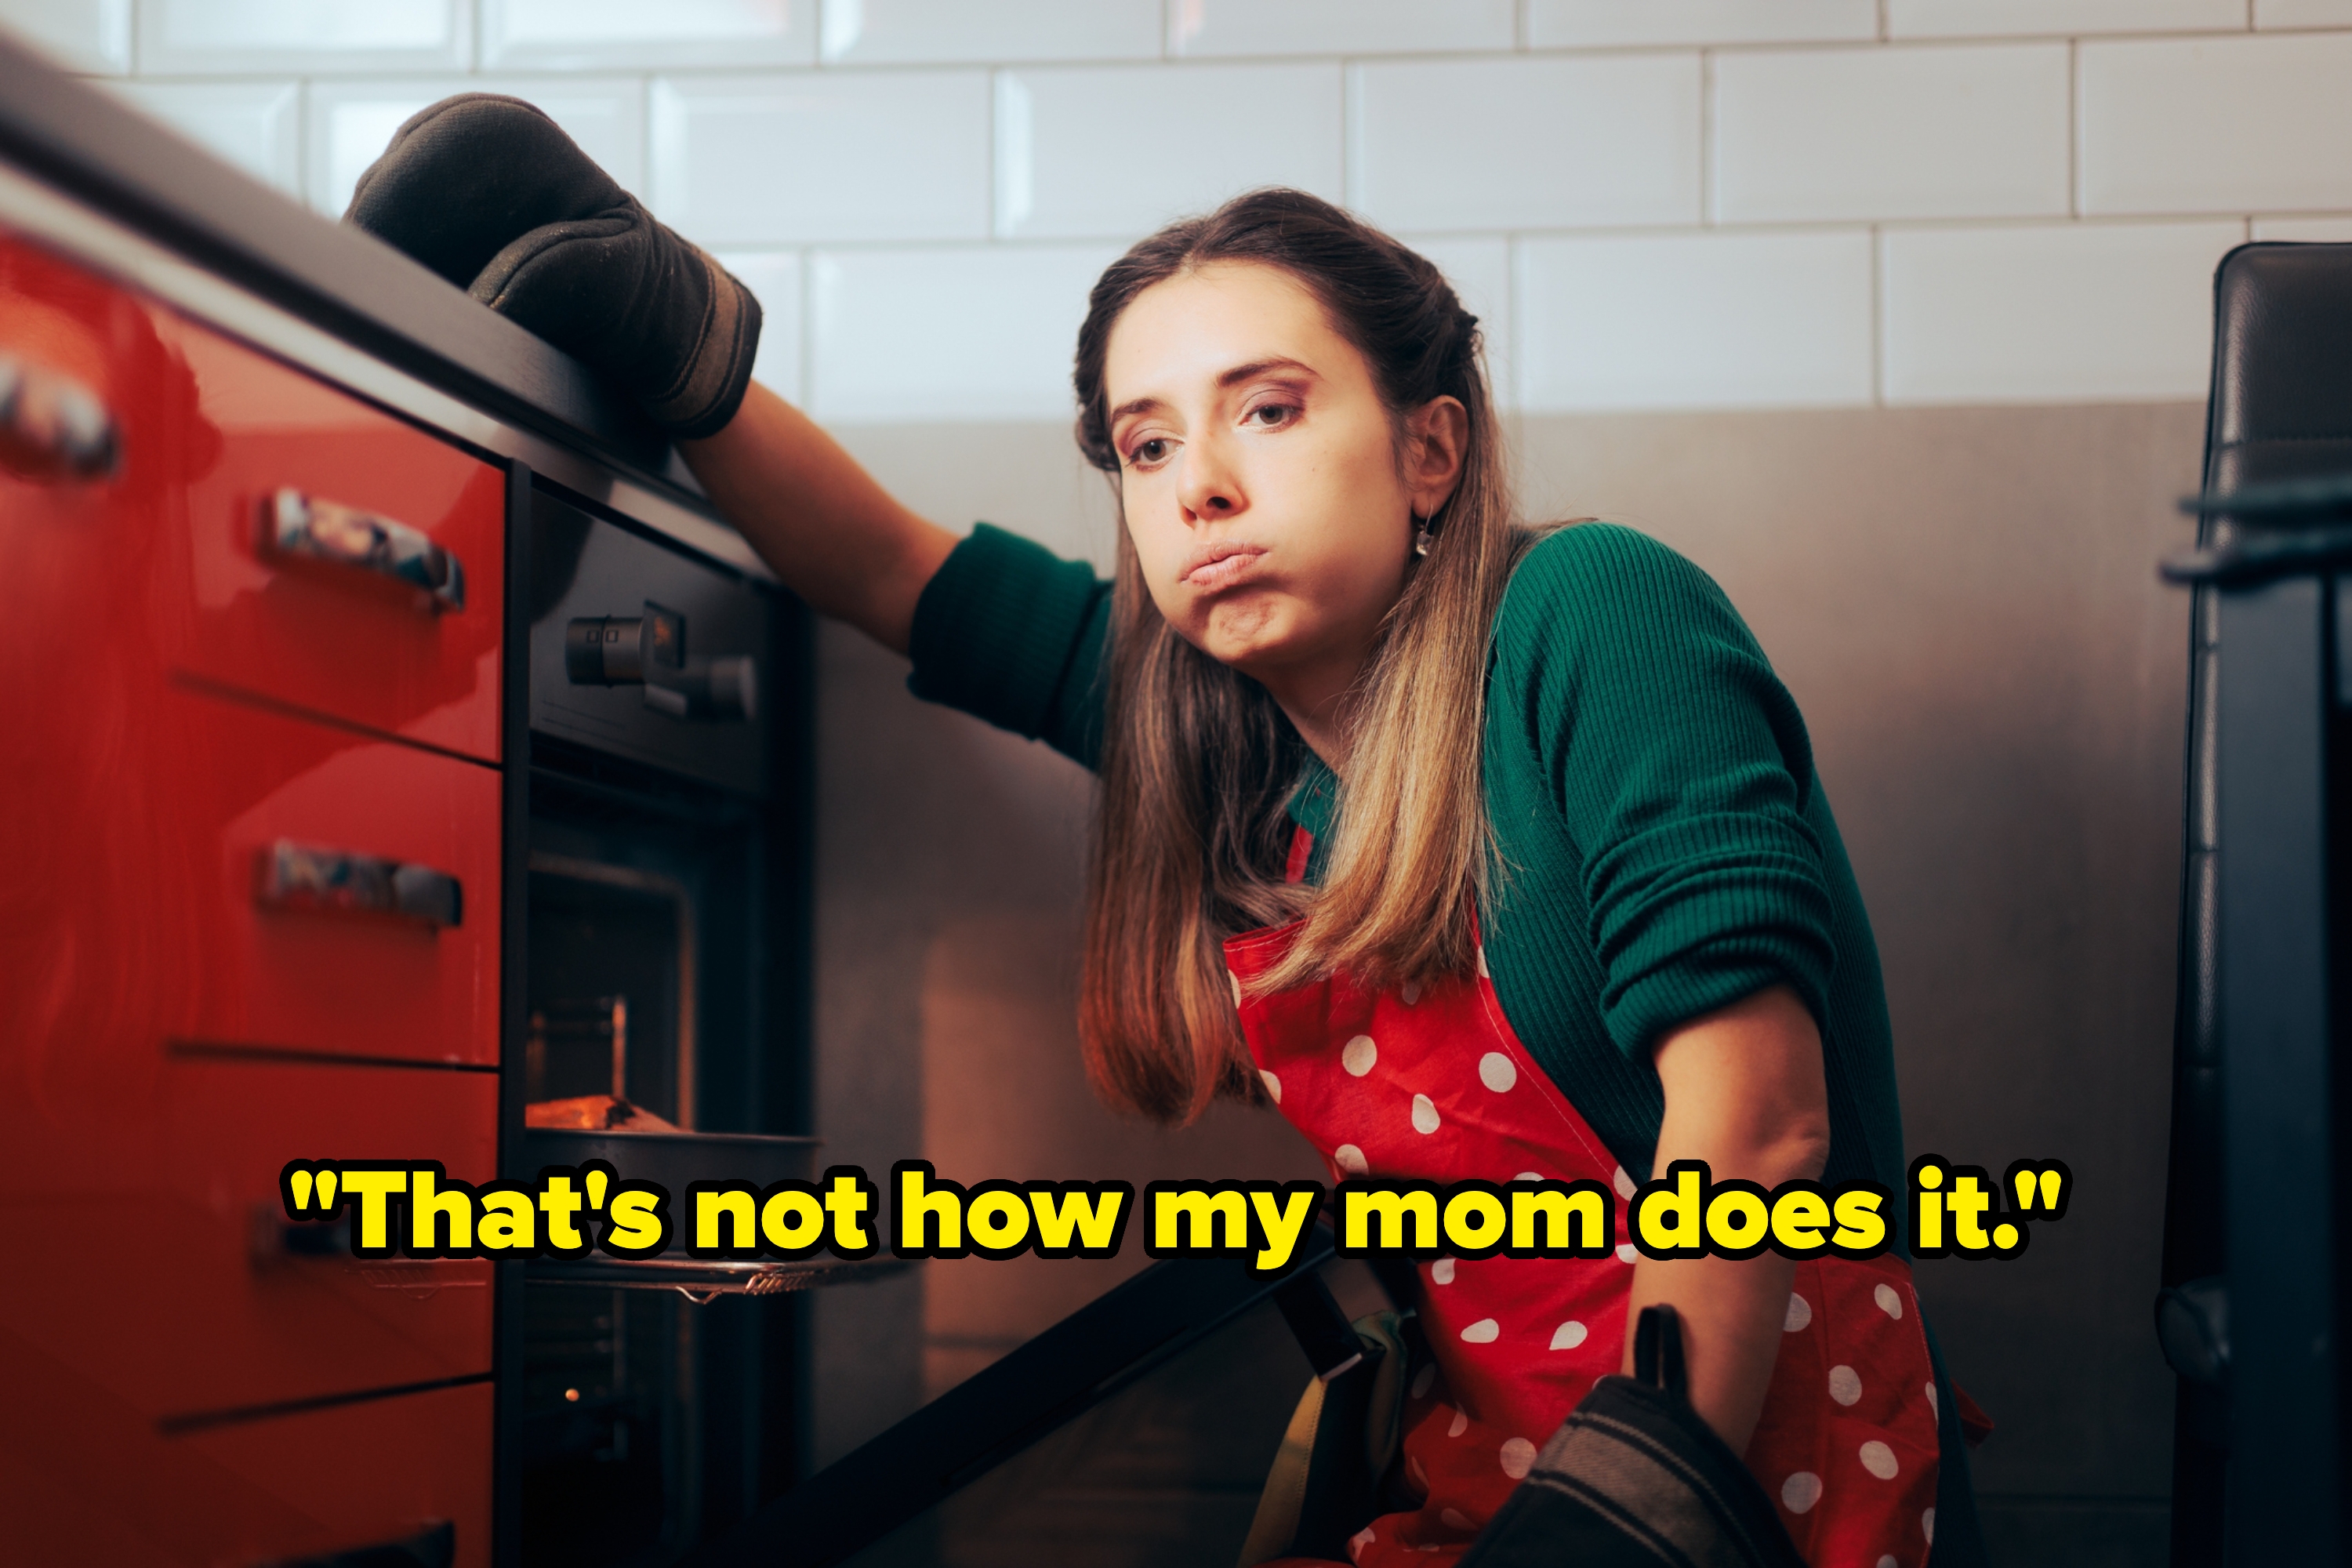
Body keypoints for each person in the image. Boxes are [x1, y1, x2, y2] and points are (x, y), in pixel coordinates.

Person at [350, 96, 1986, 1567]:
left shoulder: (1591, 613)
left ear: (1431, 448)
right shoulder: (1211, 746)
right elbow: (891, 573)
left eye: (1266, 411)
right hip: (1495, 1477)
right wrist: (677, 345)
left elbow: (1757, 1119)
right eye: (1145, 443)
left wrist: (1621, 1516)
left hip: (1741, 1487)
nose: (1196, 485)